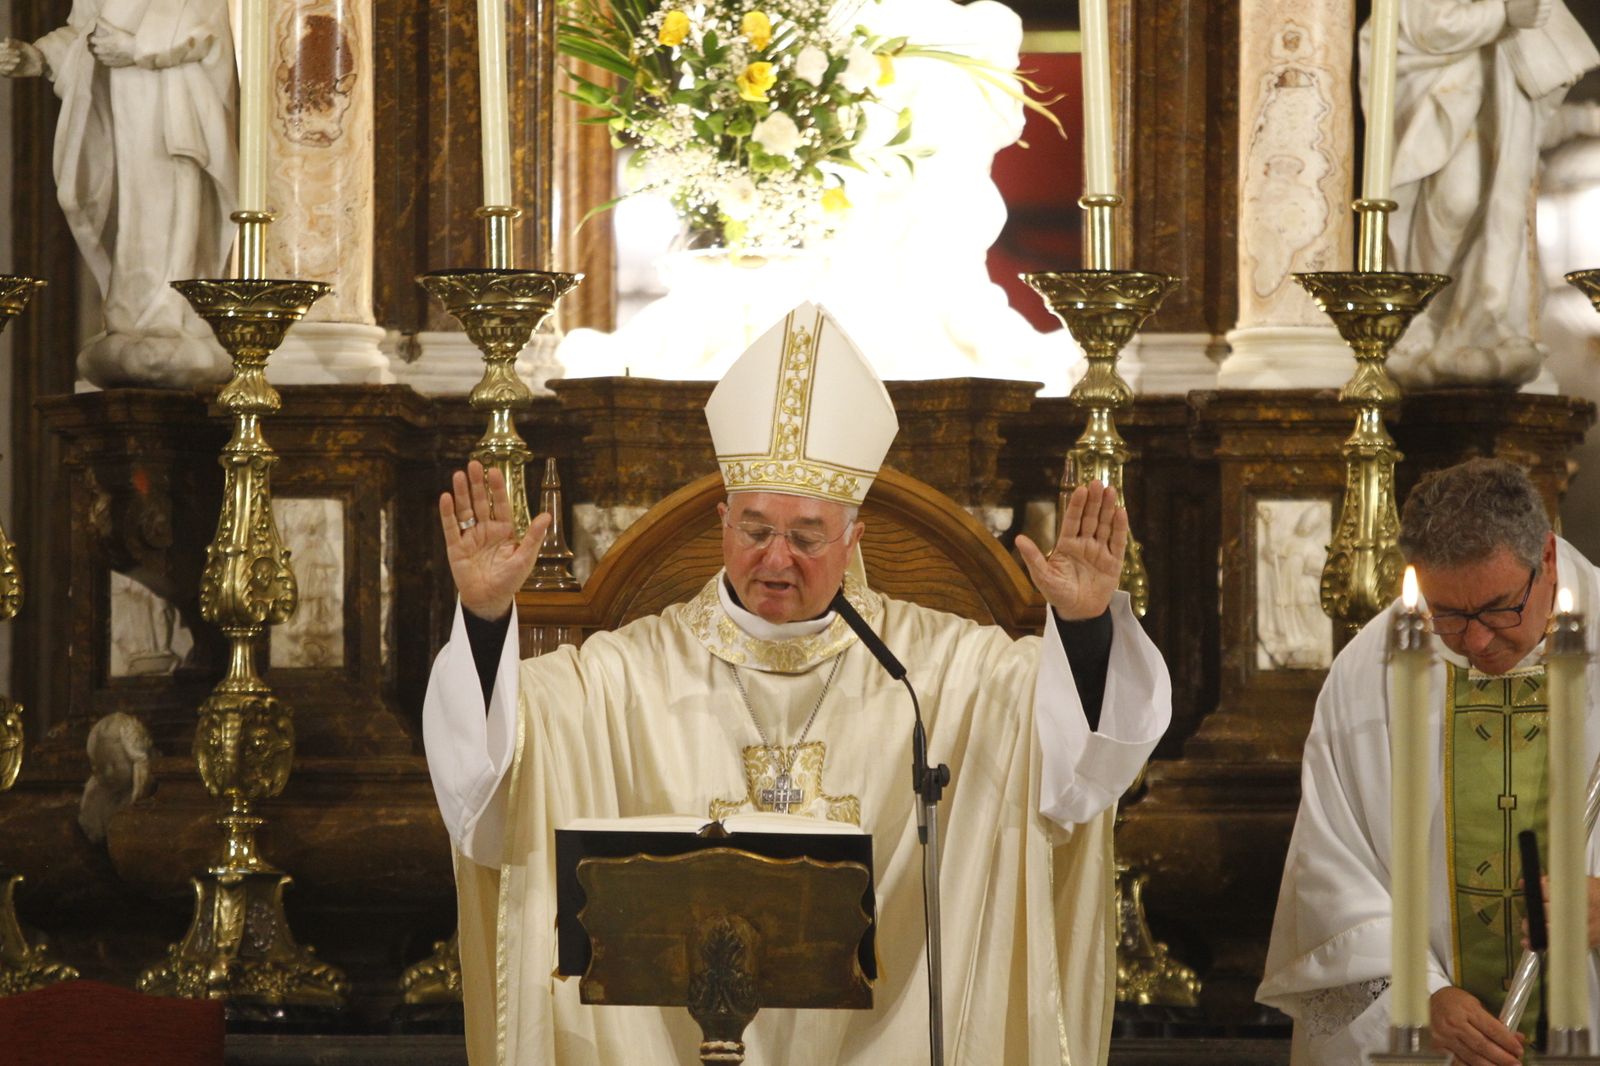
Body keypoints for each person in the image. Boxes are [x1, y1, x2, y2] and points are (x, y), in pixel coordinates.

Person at [423, 303, 1172, 1065]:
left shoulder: (934, 674)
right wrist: (485, 619)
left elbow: (1078, 770)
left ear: (853, 539)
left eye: (807, 537)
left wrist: (1082, 630)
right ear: (721, 522)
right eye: (754, 530)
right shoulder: (626, 676)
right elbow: (494, 773)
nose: (775, 559)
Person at [1259, 458, 1600, 1066]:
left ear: (1546, 558)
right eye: (1448, 613)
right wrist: (1419, 992)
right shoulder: (1373, 670)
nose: (1474, 641)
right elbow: (1331, 865)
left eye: (1499, 608)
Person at [0, 0, 236, 388]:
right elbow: (85, 32)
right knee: (131, 221)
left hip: (171, 107)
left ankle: (173, 318)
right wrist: (39, 56)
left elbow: (203, 22)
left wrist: (137, 47)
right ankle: (131, 318)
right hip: (118, 111)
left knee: (171, 210)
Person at [1375, 0, 1598, 387]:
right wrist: (1502, 16)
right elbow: (1427, 25)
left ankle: (1482, 321)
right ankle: (1423, 316)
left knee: (1500, 213)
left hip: (1497, 88)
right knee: (1453, 203)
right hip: (1439, 92)